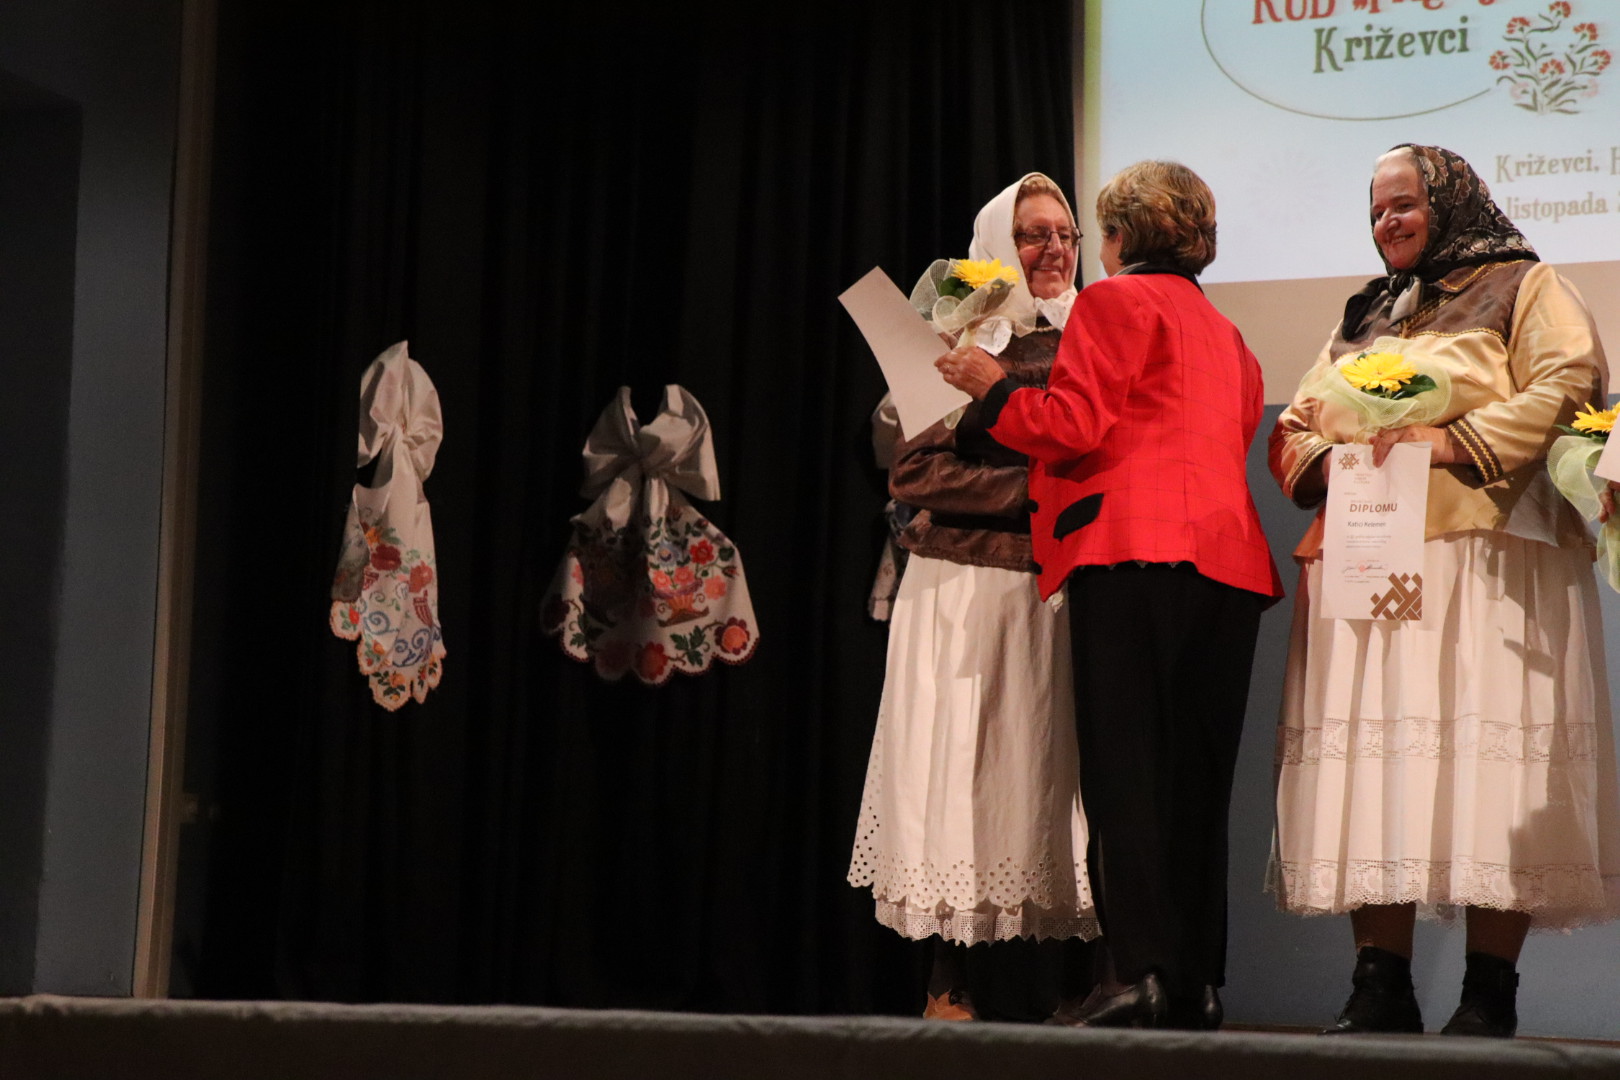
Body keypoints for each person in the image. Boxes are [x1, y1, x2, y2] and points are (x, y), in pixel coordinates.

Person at [1268, 144, 1620, 1038]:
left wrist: (1449, 442)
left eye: (1404, 204)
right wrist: (1330, 460)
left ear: (1453, 201)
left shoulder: (1526, 286)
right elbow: (1297, 422)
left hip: (1489, 561)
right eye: (1375, 210)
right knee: (1377, 761)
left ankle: (1488, 992)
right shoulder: (1366, 312)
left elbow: (1571, 382)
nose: (1387, 222)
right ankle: (1380, 983)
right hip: (1371, 560)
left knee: (1488, 769)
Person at [937, 161, 1281, 1028]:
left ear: (1120, 237)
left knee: (1128, 777)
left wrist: (991, 391)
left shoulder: (1111, 302)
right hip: (1230, 570)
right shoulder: (1230, 335)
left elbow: (1072, 424)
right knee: (1197, 786)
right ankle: (1195, 984)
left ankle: (1139, 974)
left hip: (1132, 558)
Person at [847, 173, 1098, 1021]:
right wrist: (1039, 492)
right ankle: (948, 981)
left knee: (1048, 772)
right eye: (1032, 234)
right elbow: (916, 471)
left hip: (1053, 588)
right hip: (962, 586)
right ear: (995, 247)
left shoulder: (1098, 334)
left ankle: (1067, 985)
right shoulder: (962, 338)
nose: (1053, 248)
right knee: (960, 770)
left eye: (1064, 233)